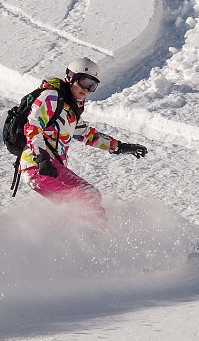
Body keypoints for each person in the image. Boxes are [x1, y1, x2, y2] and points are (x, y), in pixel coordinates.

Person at [20, 57, 148, 221]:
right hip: (38, 166)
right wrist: (41, 157)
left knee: (78, 207)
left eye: (92, 85)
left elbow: (87, 134)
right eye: (85, 82)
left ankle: (68, 241)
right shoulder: (51, 97)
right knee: (89, 196)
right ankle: (94, 241)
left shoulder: (69, 108)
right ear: (71, 77)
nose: (87, 89)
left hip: (49, 167)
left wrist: (119, 146)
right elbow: (32, 125)